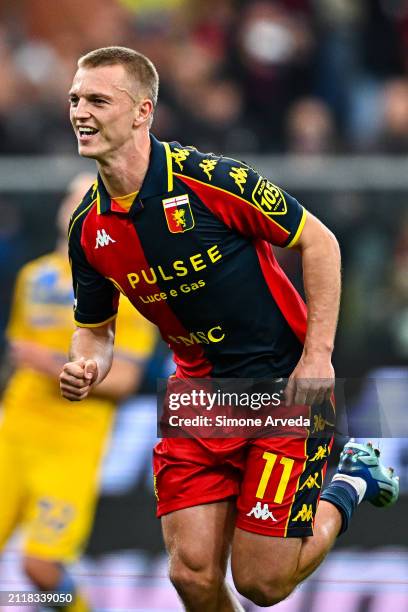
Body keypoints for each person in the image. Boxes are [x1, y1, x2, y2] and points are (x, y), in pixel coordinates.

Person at [60, 46, 399, 611]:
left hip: (283, 389)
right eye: (74, 99)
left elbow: (320, 241)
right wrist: (88, 362)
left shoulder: (209, 180)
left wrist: (318, 357)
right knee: (192, 575)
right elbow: (95, 328)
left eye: (98, 99)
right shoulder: (87, 229)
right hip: (197, 401)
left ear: (143, 112)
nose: (80, 112)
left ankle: (352, 480)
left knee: (261, 584)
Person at [0, 174, 156, 611]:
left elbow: (124, 380)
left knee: (41, 568)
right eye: (77, 198)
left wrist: (51, 366)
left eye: (96, 201)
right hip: (15, 431)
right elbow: (18, 352)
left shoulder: (128, 290)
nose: (82, 207)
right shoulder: (33, 277)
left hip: (71, 444)